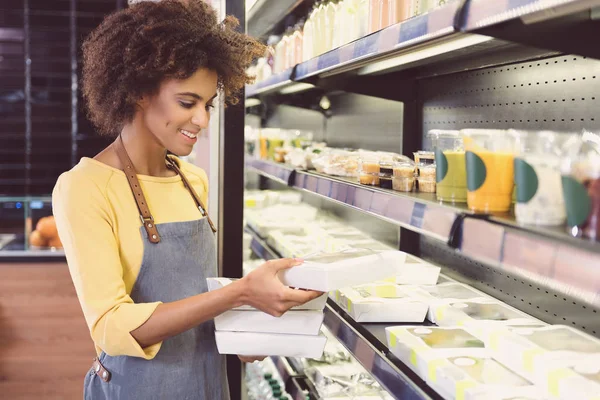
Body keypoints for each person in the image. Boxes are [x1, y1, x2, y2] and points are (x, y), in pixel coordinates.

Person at [52, 1, 322, 399]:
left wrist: (249, 327)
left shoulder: (193, 180)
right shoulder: (86, 187)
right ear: (139, 93)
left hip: (209, 385)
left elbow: (197, 302)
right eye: (187, 102)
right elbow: (111, 326)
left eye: (208, 104)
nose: (203, 120)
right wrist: (240, 292)